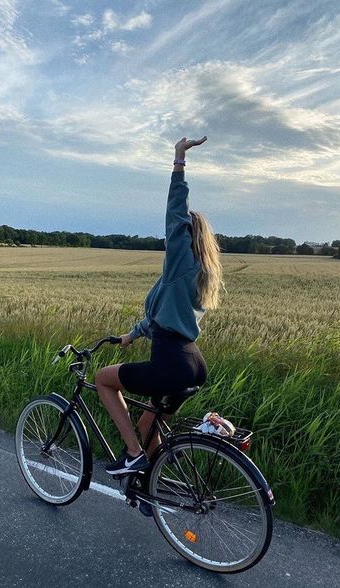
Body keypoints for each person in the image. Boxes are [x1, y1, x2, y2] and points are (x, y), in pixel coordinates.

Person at [95, 136, 223, 477]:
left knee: (103, 379)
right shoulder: (198, 274)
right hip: (192, 362)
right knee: (148, 422)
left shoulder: (180, 263)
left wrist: (179, 160)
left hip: (170, 362)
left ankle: (134, 455)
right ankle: (157, 489)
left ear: (184, 235)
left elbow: (174, 211)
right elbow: (160, 316)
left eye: (176, 232)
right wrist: (131, 336)